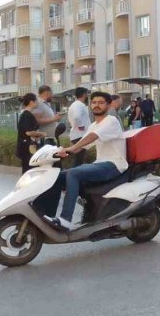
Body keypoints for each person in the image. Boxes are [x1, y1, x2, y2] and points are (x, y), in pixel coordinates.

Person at [44, 92, 127, 230]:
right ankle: (45, 214)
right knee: (56, 176)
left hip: (114, 164)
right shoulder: (94, 124)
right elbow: (82, 146)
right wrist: (61, 151)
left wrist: (72, 147)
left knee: (74, 173)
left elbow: (93, 137)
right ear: (90, 105)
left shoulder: (111, 121)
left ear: (108, 105)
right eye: (94, 102)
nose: (97, 105)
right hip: (100, 163)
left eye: (101, 102)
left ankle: (65, 220)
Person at [17, 93, 46, 174]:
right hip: (27, 148)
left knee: (29, 169)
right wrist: (42, 134)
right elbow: (28, 132)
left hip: (29, 147)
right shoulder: (27, 115)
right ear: (31, 102)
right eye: (36, 101)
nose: (37, 103)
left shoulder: (27, 114)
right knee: (28, 170)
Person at [67, 87, 91, 167]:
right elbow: (77, 117)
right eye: (87, 93)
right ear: (84, 94)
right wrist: (81, 126)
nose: (88, 96)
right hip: (80, 135)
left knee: (79, 159)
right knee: (79, 159)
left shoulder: (75, 104)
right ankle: (74, 175)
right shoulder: (79, 105)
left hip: (78, 134)